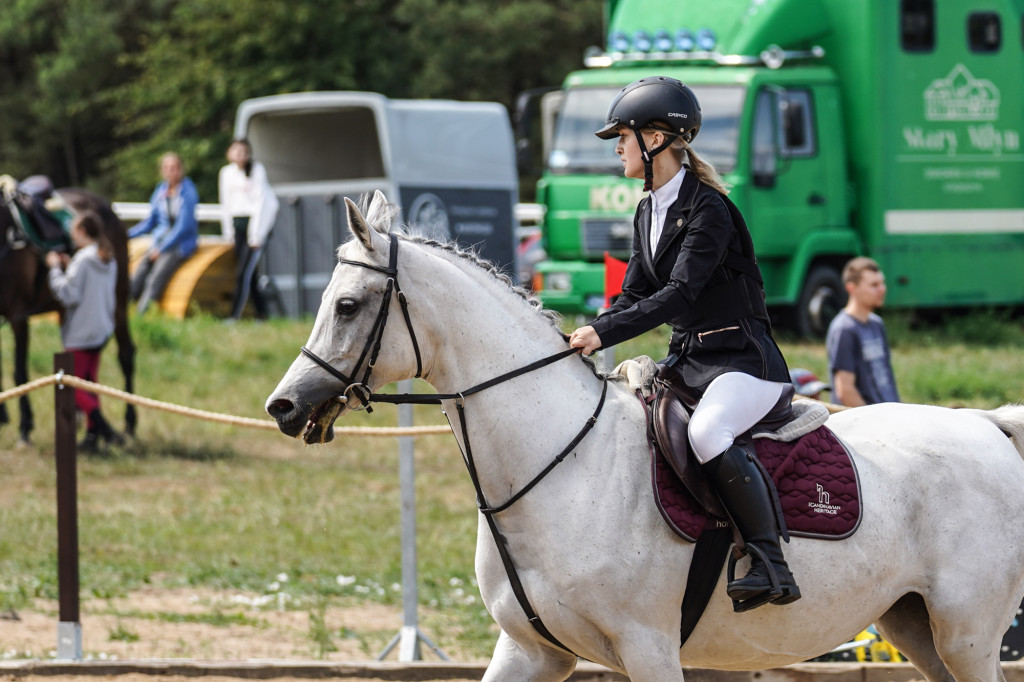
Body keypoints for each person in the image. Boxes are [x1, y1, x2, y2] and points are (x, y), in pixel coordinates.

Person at [568, 76, 799, 608]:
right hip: (690, 362)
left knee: (709, 431)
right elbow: (633, 296)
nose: (618, 147)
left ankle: (769, 561)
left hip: (744, 363)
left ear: (655, 140)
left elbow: (678, 294)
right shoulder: (648, 210)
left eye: (623, 136)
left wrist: (605, 331)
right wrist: (581, 337)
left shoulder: (709, 210)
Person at [45, 211, 123, 452]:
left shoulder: (82, 260)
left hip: (81, 333)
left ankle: (102, 426)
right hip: (101, 330)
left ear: (82, 232)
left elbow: (69, 295)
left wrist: (55, 269)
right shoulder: (107, 258)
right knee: (90, 383)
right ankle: (91, 436)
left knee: (73, 386)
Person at [128, 152, 199, 314]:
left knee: (156, 276)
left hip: (179, 244)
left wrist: (161, 248)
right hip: (159, 242)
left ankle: (142, 315)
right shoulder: (160, 190)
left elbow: (184, 226)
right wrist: (127, 234)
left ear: (181, 169)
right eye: (167, 168)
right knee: (139, 272)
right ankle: (123, 310)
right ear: (162, 171)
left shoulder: (188, 192)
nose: (171, 172)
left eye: (175, 168)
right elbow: (150, 222)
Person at [826, 257, 900, 406]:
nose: (882, 289)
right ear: (852, 288)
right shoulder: (844, 329)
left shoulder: (877, 324)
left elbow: (887, 378)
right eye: (874, 285)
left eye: (882, 283)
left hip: (890, 415)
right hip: (868, 422)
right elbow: (845, 390)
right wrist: (874, 422)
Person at [219, 138, 279, 320]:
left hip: (254, 229)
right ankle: (261, 315)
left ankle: (233, 315)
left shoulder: (257, 170)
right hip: (237, 227)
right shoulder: (226, 173)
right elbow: (225, 203)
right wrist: (228, 232)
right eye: (236, 151)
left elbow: (262, 203)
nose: (240, 155)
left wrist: (256, 235)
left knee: (243, 273)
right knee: (250, 275)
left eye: (244, 151)